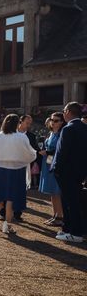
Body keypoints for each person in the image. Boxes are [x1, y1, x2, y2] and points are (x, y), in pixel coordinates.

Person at [0, 114, 37, 235]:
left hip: (0, 169)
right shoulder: (21, 137)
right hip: (16, 170)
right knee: (11, 198)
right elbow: (30, 153)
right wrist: (27, 158)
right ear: (17, 123)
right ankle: (6, 225)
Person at [51, 102, 87, 243]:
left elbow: (62, 152)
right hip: (79, 172)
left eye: (64, 111)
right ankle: (67, 229)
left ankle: (75, 232)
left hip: (66, 172)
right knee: (70, 201)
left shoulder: (68, 129)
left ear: (68, 112)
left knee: (70, 202)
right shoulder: (84, 128)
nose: (63, 113)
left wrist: (57, 168)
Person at [38, 112, 65, 226]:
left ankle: (60, 217)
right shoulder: (51, 133)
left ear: (62, 122)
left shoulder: (61, 134)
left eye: (56, 120)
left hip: (55, 164)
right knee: (52, 193)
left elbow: (61, 150)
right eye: (52, 120)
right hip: (47, 163)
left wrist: (47, 152)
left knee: (56, 191)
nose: (53, 122)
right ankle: (55, 215)